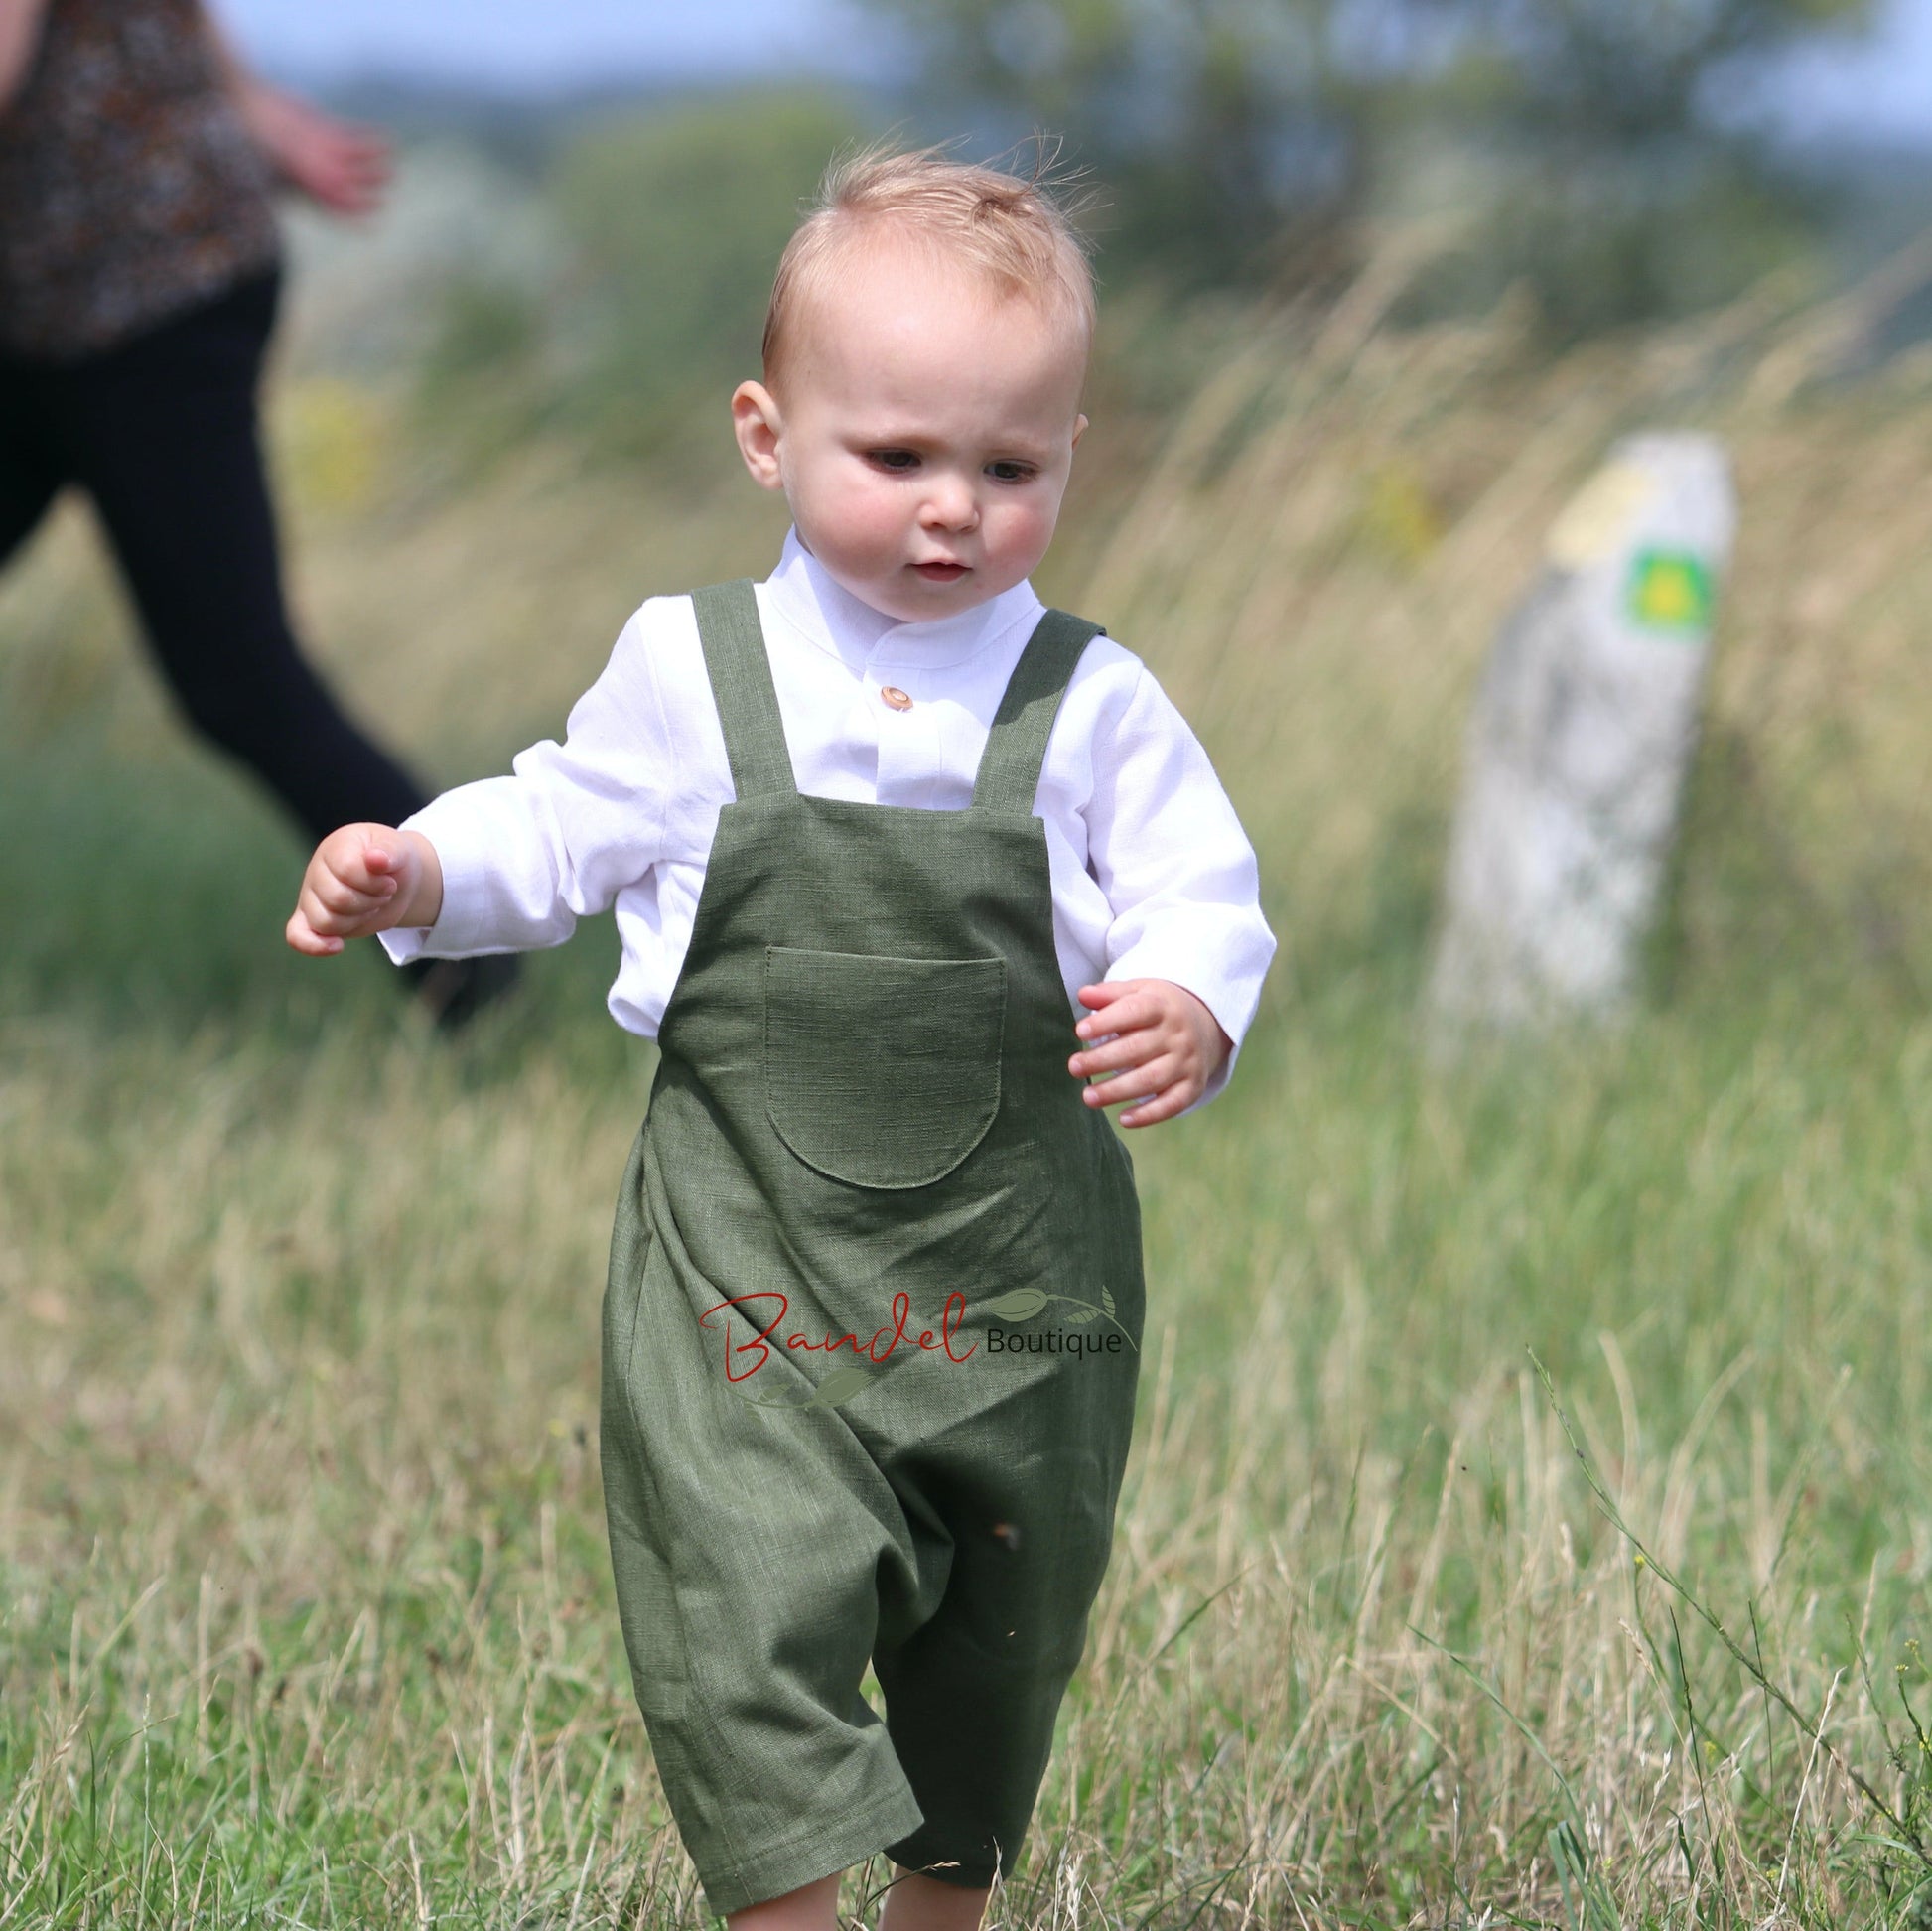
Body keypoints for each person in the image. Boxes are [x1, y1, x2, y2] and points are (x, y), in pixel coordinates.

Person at [285, 148, 1276, 1929]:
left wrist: (1193, 993)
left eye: (1009, 466)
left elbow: (1204, 881)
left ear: (1069, 458)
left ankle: (944, 1899)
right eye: (896, 456)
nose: (952, 508)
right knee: (743, 1601)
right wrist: (417, 863)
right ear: (767, 435)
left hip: (1008, 1294)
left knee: (999, 1630)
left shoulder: (1090, 704)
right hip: (742, 1273)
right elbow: (561, 827)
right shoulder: (692, 670)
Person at [0, 0, 515, 1027]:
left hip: (143, 298)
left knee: (238, 678)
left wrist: (237, 112)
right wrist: (249, 109)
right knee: (238, 677)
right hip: (65, 294)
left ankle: (463, 937)